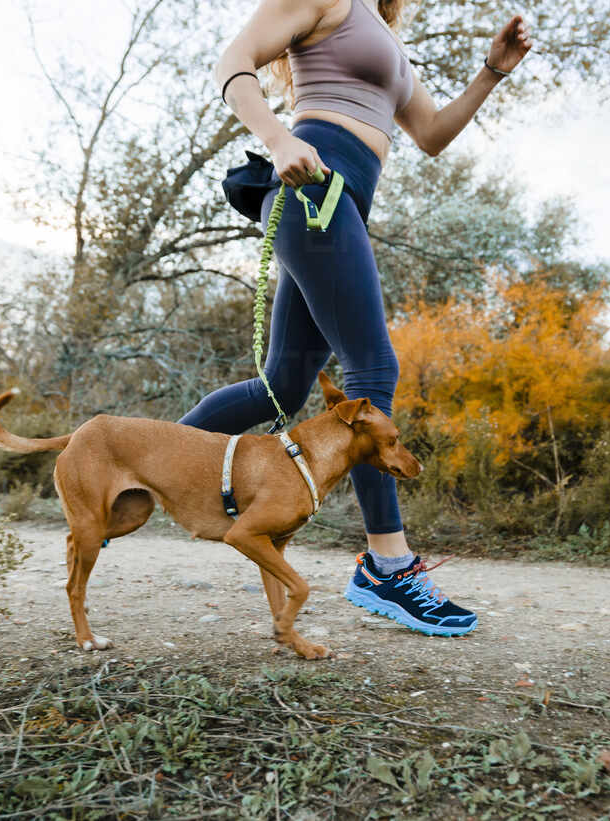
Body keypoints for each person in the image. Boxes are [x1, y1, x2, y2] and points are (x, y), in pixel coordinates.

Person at [181, 0, 532, 636]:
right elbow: (232, 62)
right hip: (315, 183)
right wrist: (278, 137)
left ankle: (145, 459)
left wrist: (491, 71)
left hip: (341, 200)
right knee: (373, 368)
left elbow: (429, 134)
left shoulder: (384, 34)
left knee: (280, 388)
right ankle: (387, 567)